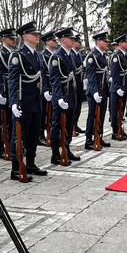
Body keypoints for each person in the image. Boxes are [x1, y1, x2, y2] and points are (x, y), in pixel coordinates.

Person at [8, 21, 48, 181]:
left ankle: (30, 163)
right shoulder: (18, 55)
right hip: (23, 101)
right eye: (34, 34)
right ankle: (16, 168)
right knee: (19, 135)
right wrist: (13, 103)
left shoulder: (38, 55)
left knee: (33, 135)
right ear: (25, 36)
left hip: (36, 101)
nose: (37, 36)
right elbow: (12, 81)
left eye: (38, 34)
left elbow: (42, 78)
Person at [48, 26, 81, 163]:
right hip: (61, 96)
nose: (73, 40)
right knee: (57, 125)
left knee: (69, 125)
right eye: (70, 38)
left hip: (71, 96)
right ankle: (56, 154)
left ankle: (66, 149)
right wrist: (59, 97)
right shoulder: (56, 56)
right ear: (62, 40)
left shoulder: (71, 55)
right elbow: (55, 79)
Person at [0, 28, 17, 159]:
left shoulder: (15, 53)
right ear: (3, 40)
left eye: (14, 38)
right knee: (1, 121)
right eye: (11, 38)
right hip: (4, 91)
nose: (14, 40)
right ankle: (1, 147)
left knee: (12, 121)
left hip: (13, 91)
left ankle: (12, 145)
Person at [84, 31, 111, 150]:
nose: (107, 43)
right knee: (92, 115)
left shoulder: (103, 55)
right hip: (94, 91)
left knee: (101, 114)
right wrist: (95, 92)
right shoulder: (92, 56)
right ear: (98, 42)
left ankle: (98, 136)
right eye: (105, 41)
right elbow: (91, 75)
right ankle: (89, 139)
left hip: (103, 90)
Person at [109, 34, 127, 140]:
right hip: (117, 88)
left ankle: (120, 129)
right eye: (125, 42)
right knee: (115, 110)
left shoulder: (125, 55)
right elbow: (114, 73)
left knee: (121, 110)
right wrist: (118, 87)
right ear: (120, 43)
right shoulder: (116, 56)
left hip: (124, 86)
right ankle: (115, 131)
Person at [39, 31, 58, 146]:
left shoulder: (54, 55)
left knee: (52, 112)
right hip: (46, 87)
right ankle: (41, 135)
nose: (55, 42)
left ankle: (51, 133)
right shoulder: (42, 55)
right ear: (47, 42)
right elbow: (42, 73)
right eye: (53, 40)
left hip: (54, 87)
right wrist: (45, 89)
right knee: (43, 113)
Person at [72, 35, 86, 135]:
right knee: (73, 106)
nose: (80, 44)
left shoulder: (79, 55)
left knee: (78, 107)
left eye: (80, 42)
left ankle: (75, 124)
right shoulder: (71, 54)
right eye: (78, 42)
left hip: (80, 84)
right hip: (73, 84)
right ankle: (72, 126)